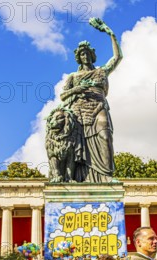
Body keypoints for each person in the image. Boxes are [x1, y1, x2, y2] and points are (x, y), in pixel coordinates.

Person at [58, 19, 122, 183]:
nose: (85, 56)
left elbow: (117, 57)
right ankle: (78, 178)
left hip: (98, 107)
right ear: (79, 58)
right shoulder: (74, 76)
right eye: (82, 54)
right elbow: (63, 96)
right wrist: (77, 89)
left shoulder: (101, 71)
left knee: (105, 137)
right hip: (79, 111)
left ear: (92, 55)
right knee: (79, 146)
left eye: (87, 53)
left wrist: (110, 33)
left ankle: (106, 175)